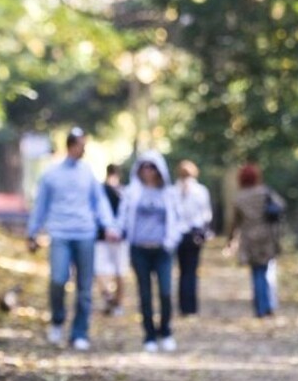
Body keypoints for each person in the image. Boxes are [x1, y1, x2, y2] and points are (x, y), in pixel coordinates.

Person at [26, 127, 120, 351]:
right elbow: (41, 206)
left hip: (85, 234)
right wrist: (32, 232)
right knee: (58, 279)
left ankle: (80, 332)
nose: (84, 149)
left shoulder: (88, 172)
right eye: (81, 145)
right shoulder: (51, 174)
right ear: (71, 145)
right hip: (60, 233)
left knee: (84, 287)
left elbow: (100, 203)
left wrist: (109, 225)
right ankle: (57, 321)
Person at [117, 152, 186, 352]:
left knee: (165, 292)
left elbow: (179, 221)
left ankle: (165, 331)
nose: (148, 171)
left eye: (152, 167)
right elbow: (122, 217)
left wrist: (171, 241)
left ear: (159, 170)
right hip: (139, 250)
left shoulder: (169, 193)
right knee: (145, 294)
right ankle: (149, 335)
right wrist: (116, 230)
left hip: (162, 251)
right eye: (144, 167)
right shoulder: (132, 192)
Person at [225, 164, 284, 318]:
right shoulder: (265, 192)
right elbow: (281, 205)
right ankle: (266, 306)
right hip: (267, 237)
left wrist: (230, 239)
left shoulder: (239, 198)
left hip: (249, 239)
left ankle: (260, 308)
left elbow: (234, 222)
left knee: (256, 272)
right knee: (264, 271)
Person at [174, 159, 214, 316]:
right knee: (191, 271)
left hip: (179, 235)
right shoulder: (201, 191)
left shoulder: (173, 190)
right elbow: (206, 214)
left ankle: (183, 306)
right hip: (194, 235)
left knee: (182, 271)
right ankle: (191, 307)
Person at [94, 164, 127, 317]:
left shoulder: (101, 190)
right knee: (119, 269)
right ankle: (115, 302)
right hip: (117, 236)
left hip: (103, 235)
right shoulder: (124, 191)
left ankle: (110, 297)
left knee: (102, 269)